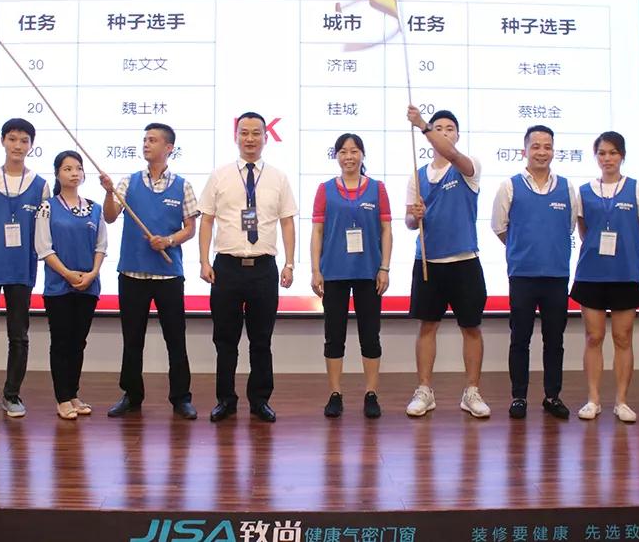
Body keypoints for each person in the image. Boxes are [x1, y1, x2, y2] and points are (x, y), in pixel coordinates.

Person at [198, 111, 297, 423]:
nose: (250, 139)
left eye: (256, 133)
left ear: (266, 137)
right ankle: (225, 400)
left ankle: (260, 400)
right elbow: (206, 220)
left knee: (261, 340)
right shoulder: (220, 175)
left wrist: (289, 263)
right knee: (225, 340)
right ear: (236, 136)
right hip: (226, 268)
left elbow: (287, 222)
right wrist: (203, 260)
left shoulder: (278, 177)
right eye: (244, 132)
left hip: (264, 268)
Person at [100, 123, 199, 420]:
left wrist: (168, 241)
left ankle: (181, 398)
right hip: (132, 274)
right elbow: (110, 216)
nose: (146, 144)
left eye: (153, 140)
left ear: (168, 148)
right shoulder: (128, 182)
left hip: (169, 276)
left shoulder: (183, 186)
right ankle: (131, 395)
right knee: (132, 340)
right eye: (144, 139)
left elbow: (190, 229)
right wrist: (108, 193)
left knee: (175, 339)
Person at [404, 106, 492, 419]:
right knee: (427, 326)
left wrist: (423, 125)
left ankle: (472, 392)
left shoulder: (468, 167)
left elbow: (451, 154)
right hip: (428, 261)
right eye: (437, 127)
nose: (442, 132)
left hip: (464, 261)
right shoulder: (417, 175)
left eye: (448, 128)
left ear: (457, 135)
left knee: (471, 328)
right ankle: (424, 391)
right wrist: (415, 216)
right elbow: (409, 223)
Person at [491, 124, 579, 420]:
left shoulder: (567, 187)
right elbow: (499, 227)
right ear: (525, 150)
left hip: (556, 276)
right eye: (536, 146)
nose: (542, 152)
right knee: (520, 338)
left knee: (555, 340)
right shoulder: (510, 186)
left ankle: (552, 396)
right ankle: (519, 397)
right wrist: (523, 249)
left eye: (547, 147)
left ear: (554, 151)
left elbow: (569, 228)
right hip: (522, 276)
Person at [0, 118, 49, 419]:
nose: (18, 145)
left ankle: (12, 395)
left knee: (19, 335)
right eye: (12, 139)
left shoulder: (40, 186)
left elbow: (42, 230)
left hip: (20, 269)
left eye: (24, 140)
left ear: (31, 145)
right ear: (3, 141)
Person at [571, 132, 639, 423]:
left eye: (613, 153)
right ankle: (593, 399)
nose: (607, 158)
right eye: (602, 153)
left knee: (623, 337)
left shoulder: (637, 189)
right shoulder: (583, 192)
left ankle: (621, 401)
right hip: (592, 273)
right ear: (596, 157)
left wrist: (625, 251)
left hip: (625, 273)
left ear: (622, 156)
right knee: (593, 337)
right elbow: (584, 232)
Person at [310, 133, 392, 419]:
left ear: (362, 154)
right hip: (334, 272)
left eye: (354, 151)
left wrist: (385, 267)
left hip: (369, 272)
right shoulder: (325, 189)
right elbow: (317, 232)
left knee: (370, 335)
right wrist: (315, 270)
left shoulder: (378, 189)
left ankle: (371, 393)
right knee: (334, 336)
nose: (349, 156)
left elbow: (386, 231)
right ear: (336, 156)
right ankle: (335, 394)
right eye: (343, 151)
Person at [35, 150, 107, 420]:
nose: (74, 173)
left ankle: (73, 393)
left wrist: (92, 274)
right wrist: (67, 274)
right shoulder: (47, 207)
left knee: (78, 342)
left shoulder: (94, 208)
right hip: (59, 287)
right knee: (61, 342)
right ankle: (62, 398)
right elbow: (43, 248)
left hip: (88, 286)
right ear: (57, 174)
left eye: (78, 168)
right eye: (67, 169)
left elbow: (101, 246)